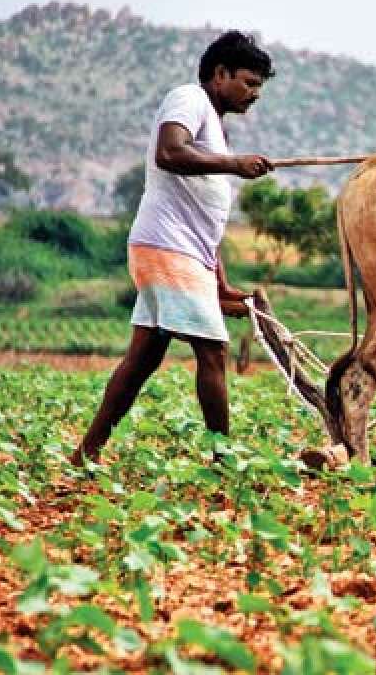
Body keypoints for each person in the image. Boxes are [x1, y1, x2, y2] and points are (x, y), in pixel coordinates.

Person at [70, 31, 276, 467]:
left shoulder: (215, 125)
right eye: (249, 82)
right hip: (167, 247)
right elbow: (169, 153)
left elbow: (201, 215)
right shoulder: (188, 99)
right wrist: (235, 165)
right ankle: (223, 462)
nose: (255, 94)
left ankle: (85, 454)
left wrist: (219, 281)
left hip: (181, 251)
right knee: (214, 351)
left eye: (259, 86)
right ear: (219, 74)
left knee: (141, 361)